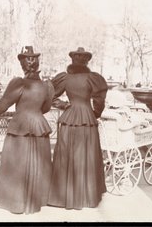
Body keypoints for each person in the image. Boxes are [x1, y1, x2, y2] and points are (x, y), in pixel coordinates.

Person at [0, 46, 54, 214]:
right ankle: (36, 200)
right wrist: (34, 112)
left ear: (23, 65)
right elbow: (46, 108)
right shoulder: (47, 85)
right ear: (37, 63)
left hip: (21, 125)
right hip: (39, 125)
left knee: (17, 163)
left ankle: (15, 202)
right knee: (38, 163)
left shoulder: (19, 82)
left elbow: (5, 103)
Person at [48, 47, 108, 209]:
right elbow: (99, 100)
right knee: (87, 154)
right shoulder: (93, 78)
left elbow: (50, 95)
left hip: (69, 117)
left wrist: (64, 105)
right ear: (86, 61)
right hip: (87, 118)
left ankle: (64, 196)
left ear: (72, 61)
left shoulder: (64, 78)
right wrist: (95, 113)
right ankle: (87, 195)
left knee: (67, 154)